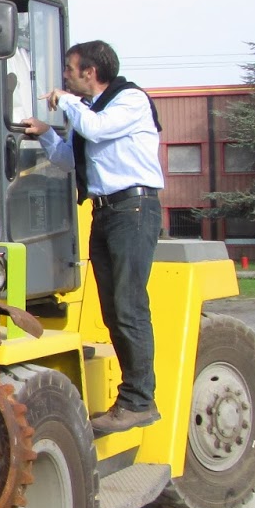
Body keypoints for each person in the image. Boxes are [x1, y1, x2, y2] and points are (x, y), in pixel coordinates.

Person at [22, 40, 165, 436]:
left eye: (69, 69)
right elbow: (70, 159)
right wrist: (48, 133)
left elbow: (95, 129)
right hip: (107, 212)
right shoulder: (93, 112)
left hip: (134, 210)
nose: (64, 76)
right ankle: (134, 398)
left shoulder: (129, 100)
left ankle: (139, 401)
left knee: (129, 305)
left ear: (91, 72)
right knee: (114, 308)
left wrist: (66, 102)